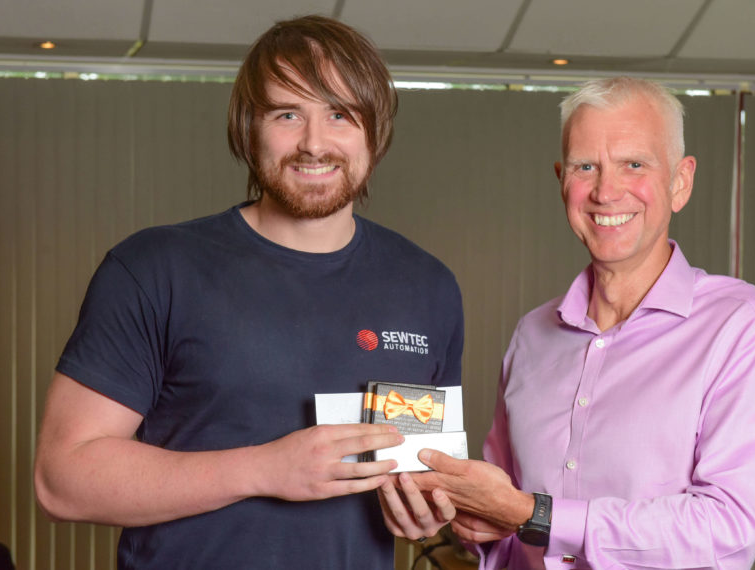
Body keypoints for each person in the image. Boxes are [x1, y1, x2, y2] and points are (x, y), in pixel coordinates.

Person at [33, 15, 462, 569]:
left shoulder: (429, 287)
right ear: (248, 128)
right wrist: (263, 469)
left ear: (372, 134)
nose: (314, 143)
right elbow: (62, 480)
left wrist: (423, 509)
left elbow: (416, 471)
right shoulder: (155, 268)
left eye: (340, 115)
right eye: (288, 114)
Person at [409, 77, 755, 569]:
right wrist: (470, 522)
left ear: (680, 182)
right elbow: (502, 514)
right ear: (561, 181)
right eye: (585, 166)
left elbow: (727, 528)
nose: (605, 191)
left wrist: (539, 516)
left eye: (633, 164)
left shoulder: (747, 327)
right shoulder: (533, 336)